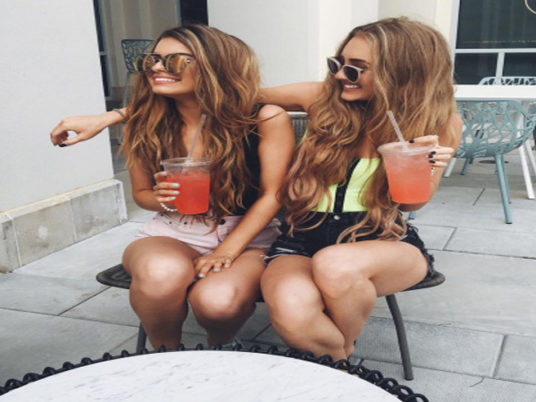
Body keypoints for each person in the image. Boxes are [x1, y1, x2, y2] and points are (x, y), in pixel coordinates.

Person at [52, 24, 295, 350]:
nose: (155, 67)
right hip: (174, 231)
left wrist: (226, 251)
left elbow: (273, 194)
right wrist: (164, 200)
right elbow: (142, 195)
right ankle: (165, 355)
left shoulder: (264, 118)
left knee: (218, 301)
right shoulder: (145, 123)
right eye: (152, 59)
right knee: (161, 273)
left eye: (175, 61)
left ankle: (221, 349)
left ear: (214, 66)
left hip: (248, 236)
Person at [257, 17, 462, 361]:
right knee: (292, 313)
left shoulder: (441, 123)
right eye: (338, 64)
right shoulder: (321, 98)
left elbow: (410, 206)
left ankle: (339, 357)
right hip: (302, 239)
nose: (340, 75)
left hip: (384, 240)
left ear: (401, 72)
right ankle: (342, 362)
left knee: (335, 266)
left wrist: (423, 167)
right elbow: (239, 96)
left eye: (356, 68)